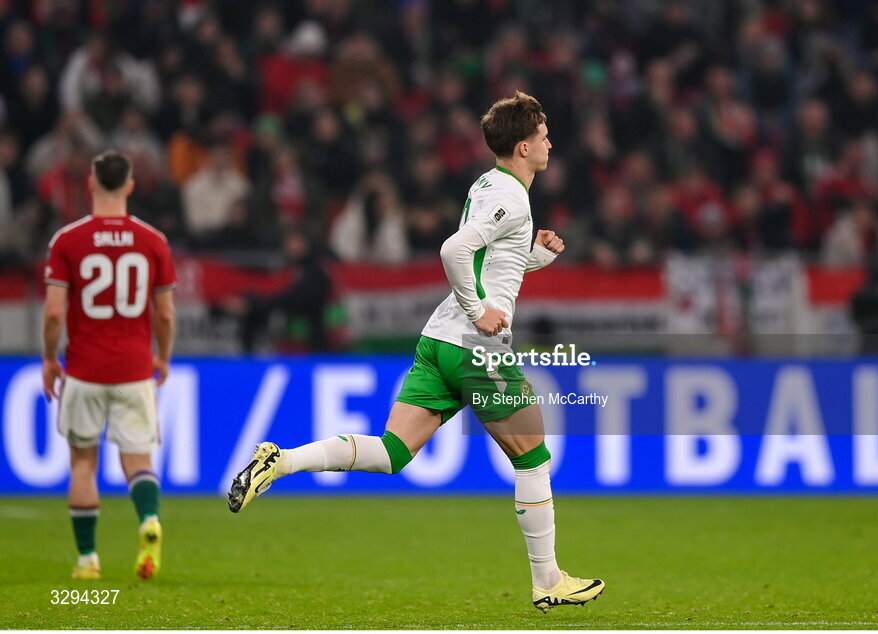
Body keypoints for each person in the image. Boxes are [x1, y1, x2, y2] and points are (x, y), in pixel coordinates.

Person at [227, 92, 605, 612]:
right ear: (523, 146)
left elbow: (488, 265)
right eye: (542, 134)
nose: (549, 141)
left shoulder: (492, 184)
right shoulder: (512, 197)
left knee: (392, 452)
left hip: (438, 340)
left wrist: (533, 255)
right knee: (534, 457)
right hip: (476, 346)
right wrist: (478, 314)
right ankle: (548, 581)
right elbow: (454, 250)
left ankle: (281, 461)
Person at [42, 151, 177, 580]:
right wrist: (163, 356)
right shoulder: (153, 240)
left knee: (83, 463)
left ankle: (87, 560)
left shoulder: (68, 241)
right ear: (130, 186)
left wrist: (49, 358)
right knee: (138, 460)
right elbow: (166, 314)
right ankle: (148, 520)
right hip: (135, 370)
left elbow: (52, 314)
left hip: (84, 369)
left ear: (91, 183)